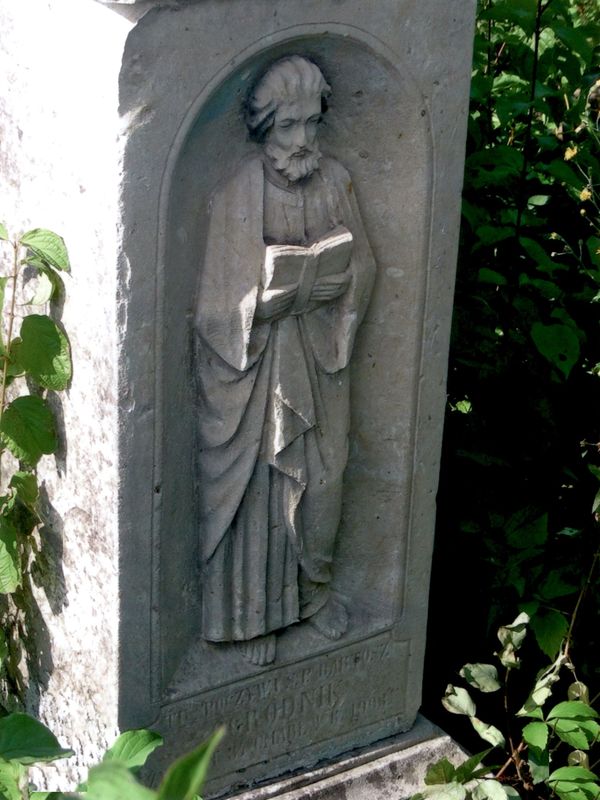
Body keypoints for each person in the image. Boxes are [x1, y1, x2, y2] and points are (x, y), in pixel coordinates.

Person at [194, 55, 375, 665]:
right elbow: (214, 306)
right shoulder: (237, 192)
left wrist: (339, 291)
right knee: (264, 487)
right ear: (264, 127)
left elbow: (364, 263)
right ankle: (252, 619)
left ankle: (314, 596)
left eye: (311, 124)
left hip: (319, 358)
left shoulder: (336, 181)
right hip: (256, 371)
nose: (303, 141)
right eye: (288, 127)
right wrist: (262, 302)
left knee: (325, 474)